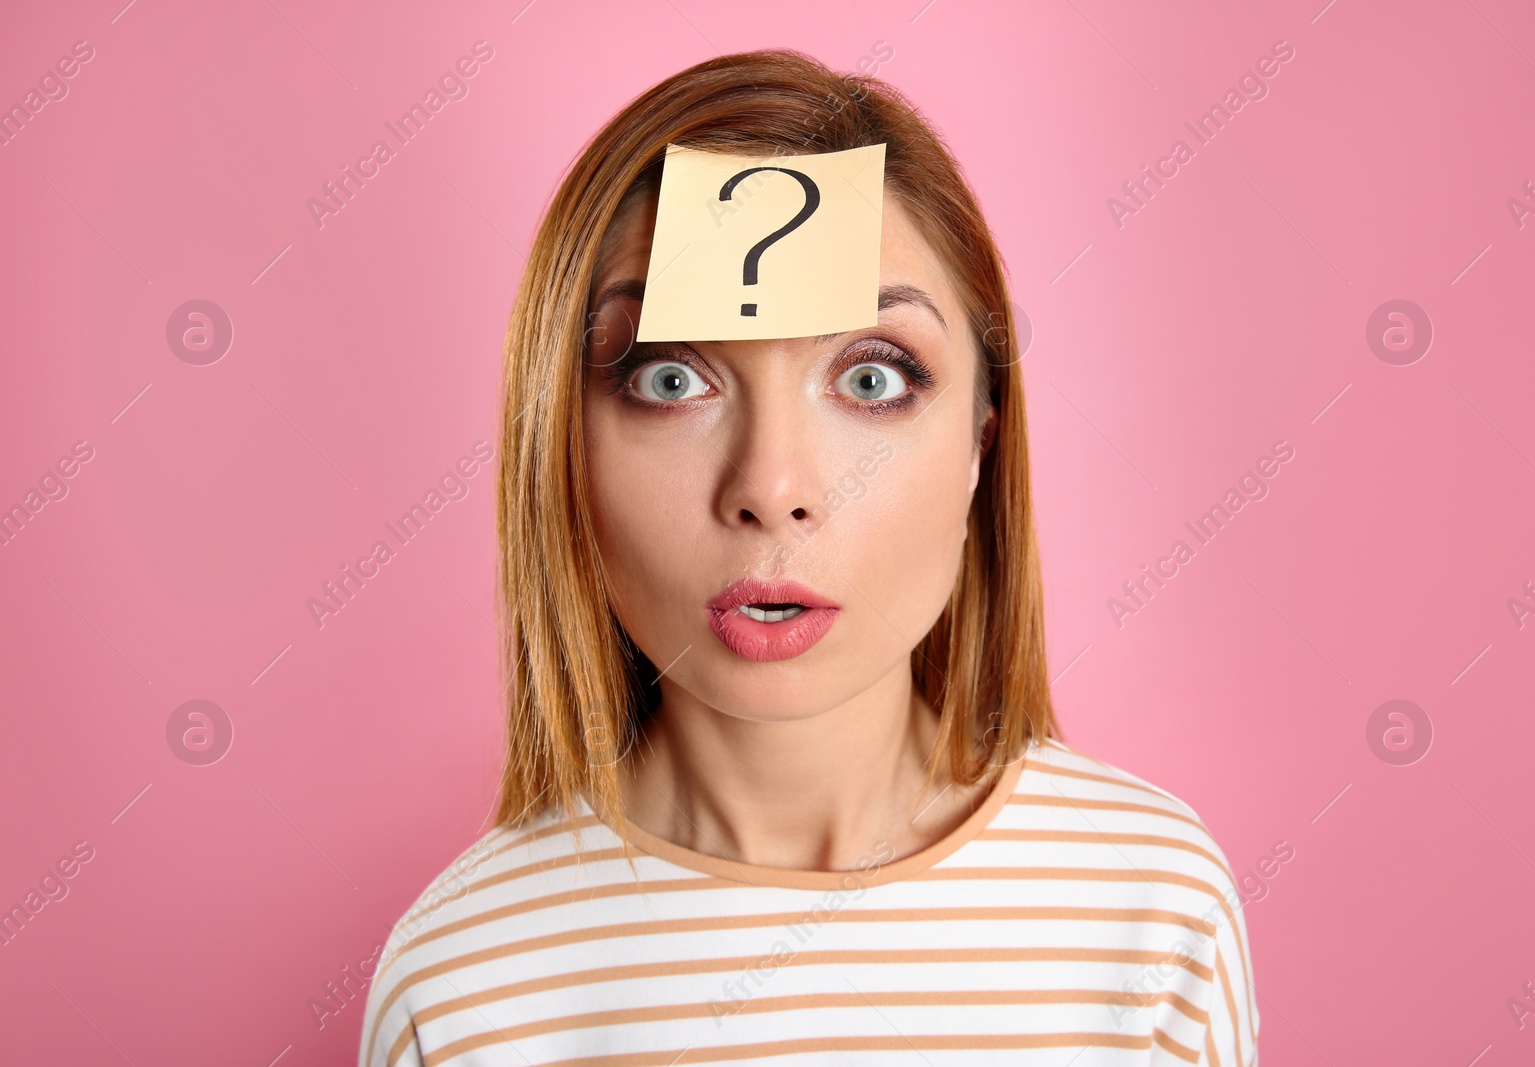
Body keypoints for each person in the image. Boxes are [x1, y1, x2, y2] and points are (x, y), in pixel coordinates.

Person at [359, 49, 1258, 1067]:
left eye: (872, 378)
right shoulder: (462, 983)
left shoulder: (1151, 909)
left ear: (981, 442)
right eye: (666, 380)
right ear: (558, 449)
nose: (772, 485)